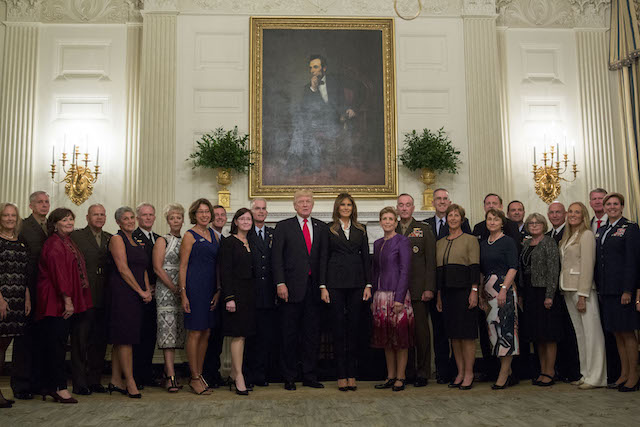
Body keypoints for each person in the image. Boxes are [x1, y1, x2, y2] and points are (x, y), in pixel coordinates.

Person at [272, 189, 329, 390]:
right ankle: (289, 376)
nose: (305, 204)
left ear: (313, 204)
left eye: (308, 201)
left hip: (313, 291)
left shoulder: (321, 228)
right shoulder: (283, 227)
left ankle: (309, 375)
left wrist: (323, 286)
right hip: (290, 290)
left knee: (311, 335)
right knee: (289, 335)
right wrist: (280, 283)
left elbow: (323, 260)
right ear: (294, 205)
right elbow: (276, 258)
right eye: (301, 201)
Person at [36, 208, 92, 403]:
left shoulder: (67, 241)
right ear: (55, 224)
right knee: (57, 346)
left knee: (57, 344)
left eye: (71, 219)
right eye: (64, 220)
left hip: (61, 300)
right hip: (54, 302)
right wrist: (68, 301)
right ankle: (59, 388)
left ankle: (48, 386)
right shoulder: (54, 244)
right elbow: (59, 275)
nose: (69, 222)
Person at [322, 193, 371, 391]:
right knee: (338, 330)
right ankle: (341, 375)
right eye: (342, 204)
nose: (345, 207)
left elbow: (366, 258)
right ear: (337, 207)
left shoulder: (361, 229)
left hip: (357, 284)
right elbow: (323, 258)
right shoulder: (328, 229)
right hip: (334, 284)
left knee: (353, 329)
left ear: (353, 207)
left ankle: (352, 374)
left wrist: (368, 284)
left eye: (349, 204)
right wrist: (322, 286)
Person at [424, 188, 470, 383]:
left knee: (456, 331)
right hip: (435, 285)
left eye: (445, 199)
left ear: (449, 201)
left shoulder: (463, 223)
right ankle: (443, 372)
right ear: (432, 202)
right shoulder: (425, 225)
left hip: (457, 286)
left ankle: (457, 371)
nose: (442, 202)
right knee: (439, 331)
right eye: (438, 199)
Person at [595, 193, 639, 392]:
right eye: (608, 204)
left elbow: (633, 261)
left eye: (615, 204)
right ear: (604, 208)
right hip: (607, 290)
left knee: (628, 333)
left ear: (622, 207)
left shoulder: (630, 228)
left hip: (623, 290)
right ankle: (623, 373)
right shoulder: (602, 230)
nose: (611, 207)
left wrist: (628, 289)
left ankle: (634, 375)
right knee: (617, 334)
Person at [472, 193, 519, 380]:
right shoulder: (483, 243)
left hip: (503, 290)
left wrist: (504, 290)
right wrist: (482, 294)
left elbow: (513, 267)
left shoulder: (507, 241)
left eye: (496, 219)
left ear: (502, 222)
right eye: (489, 219)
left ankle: (503, 374)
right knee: (493, 332)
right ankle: (507, 370)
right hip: (488, 291)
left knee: (506, 329)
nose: (492, 222)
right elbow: (481, 270)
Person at [559, 202, 606, 390]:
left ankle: (597, 377)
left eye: (577, 212)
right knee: (580, 334)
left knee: (592, 333)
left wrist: (582, 295)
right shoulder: (568, 236)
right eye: (570, 211)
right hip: (568, 288)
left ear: (583, 215)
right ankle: (586, 374)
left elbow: (587, 265)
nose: (572, 215)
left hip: (582, 291)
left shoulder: (586, 235)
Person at [291, 54, 362, 175]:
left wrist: (350, 109)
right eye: (310, 68)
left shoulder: (335, 82)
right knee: (300, 129)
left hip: (334, 121)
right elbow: (304, 109)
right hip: (315, 123)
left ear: (324, 68)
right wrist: (313, 88)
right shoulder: (307, 88)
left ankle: (307, 164)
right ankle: (296, 164)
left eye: (315, 67)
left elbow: (343, 101)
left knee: (303, 130)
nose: (312, 70)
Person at [108, 207, 152, 399]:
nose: (130, 221)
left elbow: (142, 267)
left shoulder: (137, 240)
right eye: (125, 219)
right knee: (126, 338)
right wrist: (140, 290)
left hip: (137, 294)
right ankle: (130, 381)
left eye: (131, 217)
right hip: (122, 293)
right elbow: (123, 269)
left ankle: (115, 380)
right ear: (118, 222)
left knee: (123, 338)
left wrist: (147, 289)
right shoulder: (117, 239)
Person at [434, 204, 480, 390]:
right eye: (450, 215)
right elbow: (438, 272)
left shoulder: (470, 240)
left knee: (466, 336)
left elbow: (474, 268)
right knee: (453, 336)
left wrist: (474, 291)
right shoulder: (440, 242)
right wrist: (438, 296)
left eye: (456, 215)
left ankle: (469, 373)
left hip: (464, 292)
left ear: (462, 219)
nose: (453, 218)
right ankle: (460, 372)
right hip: (446, 294)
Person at [69, 204, 112, 395]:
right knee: (80, 341)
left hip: (105, 297)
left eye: (102, 214)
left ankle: (94, 380)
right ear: (87, 217)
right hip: (84, 297)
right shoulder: (76, 236)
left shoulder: (110, 238)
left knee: (99, 342)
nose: (99, 217)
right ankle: (79, 382)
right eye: (96, 214)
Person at [180, 198, 220, 395]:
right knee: (195, 332)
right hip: (194, 289)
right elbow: (183, 266)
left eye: (207, 211)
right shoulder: (189, 235)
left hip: (210, 289)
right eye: (201, 212)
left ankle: (200, 374)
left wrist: (219, 290)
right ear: (194, 215)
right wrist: (183, 293)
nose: (205, 215)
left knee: (206, 332)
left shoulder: (214, 234)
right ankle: (193, 377)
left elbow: (218, 265)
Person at [12, 191, 49, 400]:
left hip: (46, 290)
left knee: (41, 337)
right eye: (40, 202)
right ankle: (21, 384)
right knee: (24, 338)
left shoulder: (51, 227)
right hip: (28, 288)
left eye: (46, 202)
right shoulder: (23, 226)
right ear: (31, 206)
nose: (44, 205)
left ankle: (37, 382)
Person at [396, 194, 436, 387]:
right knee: (403, 332)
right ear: (397, 208)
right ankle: (407, 371)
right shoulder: (391, 228)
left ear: (413, 208)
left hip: (419, 290)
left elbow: (430, 261)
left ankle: (423, 372)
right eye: (401, 205)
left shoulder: (424, 230)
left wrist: (429, 287)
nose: (404, 208)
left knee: (421, 333)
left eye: (408, 205)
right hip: (398, 292)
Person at [372, 207, 413, 392]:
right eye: (384, 219)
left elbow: (405, 270)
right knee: (386, 338)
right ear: (380, 222)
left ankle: (401, 376)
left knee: (400, 338)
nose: (387, 222)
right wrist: (374, 294)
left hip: (398, 295)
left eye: (391, 219)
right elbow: (376, 271)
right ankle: (390, 375)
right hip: (380, 295)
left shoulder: (402, 241)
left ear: (396, 222)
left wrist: (399, 298)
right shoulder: (378, 242)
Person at [519, 213, 562, 387]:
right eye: (531, 223)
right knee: (538, 335)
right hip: (530, 292)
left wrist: (550, 295)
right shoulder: (526, 243)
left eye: (537, 223)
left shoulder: (549, 243)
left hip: (544, 292)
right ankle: (542, 370)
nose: (534, 225)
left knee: (549, 335)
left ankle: (550, 371)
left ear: (543, 225)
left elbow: (554, 271)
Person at [220, 208, 257, 396]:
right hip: (235, 295)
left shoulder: (252, 241)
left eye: (248, 219)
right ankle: (239, 376)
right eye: (242, 218)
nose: (245, 221)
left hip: (250, 295)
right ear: (235, 222)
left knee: (245, 335)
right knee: (238, 335)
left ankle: (235, 372)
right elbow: (225, 272)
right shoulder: (229, 243)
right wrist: (229, 298)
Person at [545, 201, 581, 384]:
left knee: (572, 332)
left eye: (558, 212)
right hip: (556, 290)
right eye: (551, 212)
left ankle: (574, 371)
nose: (555, 215)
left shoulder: (571, 233)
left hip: (570, 287)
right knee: (559, 332)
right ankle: (561, 369)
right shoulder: (547, 235)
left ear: (565, 214)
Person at [151, 204, 186, 393]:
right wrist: (174, 288)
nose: (175, 221)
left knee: (179, 332)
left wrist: (183, 290)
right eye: (172, 218)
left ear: (183, 220)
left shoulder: (187, 240)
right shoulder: (162, 241)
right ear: (167, 220)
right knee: (168, 333)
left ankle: (169, 371)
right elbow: (157, 268)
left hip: (182, 291)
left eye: (178, 218)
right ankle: (171, 376)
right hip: (166, 291)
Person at [0, 203, 30, 408]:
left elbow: (25, 272)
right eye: (5, 215)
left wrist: (27, 297)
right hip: (2, 301)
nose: (10, 218)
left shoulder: (20, 241)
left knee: (3, 348)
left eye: (13, 215)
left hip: (18, 302)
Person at [245, 199, 276, 387]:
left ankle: (260, 374)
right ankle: (247, 375)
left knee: (266, 337)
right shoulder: (244, 234)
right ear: (251, 212)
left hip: (270, 294)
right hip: (250, 294)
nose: (261, 211)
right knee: (249, 336)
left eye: (264, 208)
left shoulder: (273, 233)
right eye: (257, 208)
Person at [131, 203, 160, 388]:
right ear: (138, 218)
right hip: (138, 293)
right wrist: (146, 286)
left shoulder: (158, 238)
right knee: (138, 336)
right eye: (144, 215)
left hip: (156, 292)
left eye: (151, 215)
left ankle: (147, 373)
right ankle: (135, 375)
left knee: (150, 335)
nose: (148, 218)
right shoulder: (133, 237)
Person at [202, 204, 227, 389]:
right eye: (215, 214)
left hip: (222, 293)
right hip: (206, 291)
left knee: (218, 336)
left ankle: (214, 373)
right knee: (206, 335)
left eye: (222, 214)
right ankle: (203, 374)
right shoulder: (205, 237)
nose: (219, 217)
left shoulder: (225, 239)